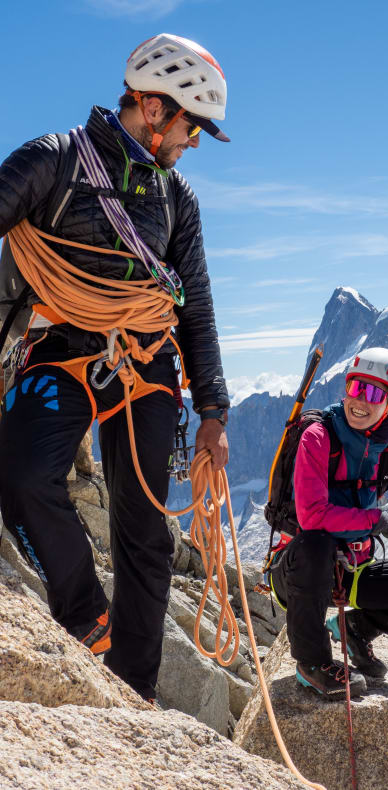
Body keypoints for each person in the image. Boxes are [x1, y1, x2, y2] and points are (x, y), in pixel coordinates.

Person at [0, 34, 230, 700]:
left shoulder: (176, 198)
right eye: (193, 126)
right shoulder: (53, 160)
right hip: (61, 349)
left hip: (144, 363)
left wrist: (213, 410)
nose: (194, 142)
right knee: (17, 477)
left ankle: (135, 690)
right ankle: (84, 617)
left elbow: (198, 308)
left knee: (143, 530)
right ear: (154, 109)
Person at [270, 347, 388, 697]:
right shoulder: (318, 438)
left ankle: (356, 629)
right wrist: (376, 520)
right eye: (355, 388)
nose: (360, 401)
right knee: (317, 542)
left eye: (375, 393)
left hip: (353, 571)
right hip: (298, 571)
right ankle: (313, 662)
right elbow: (312, 516)